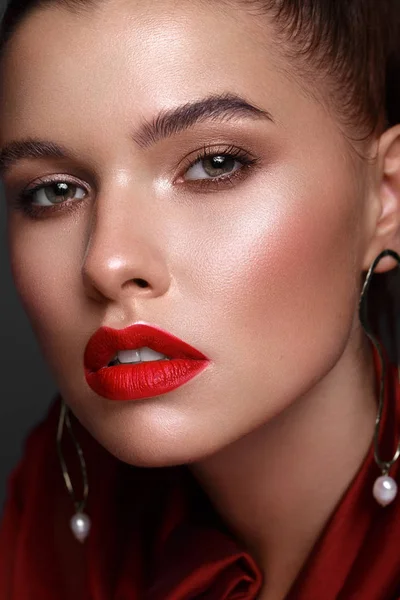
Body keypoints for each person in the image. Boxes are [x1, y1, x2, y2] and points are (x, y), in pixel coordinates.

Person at [0, 0, 399, 598]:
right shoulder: (53, 516)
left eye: (214, 164)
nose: (107, 262)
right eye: (54, 191)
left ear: (386, 198)